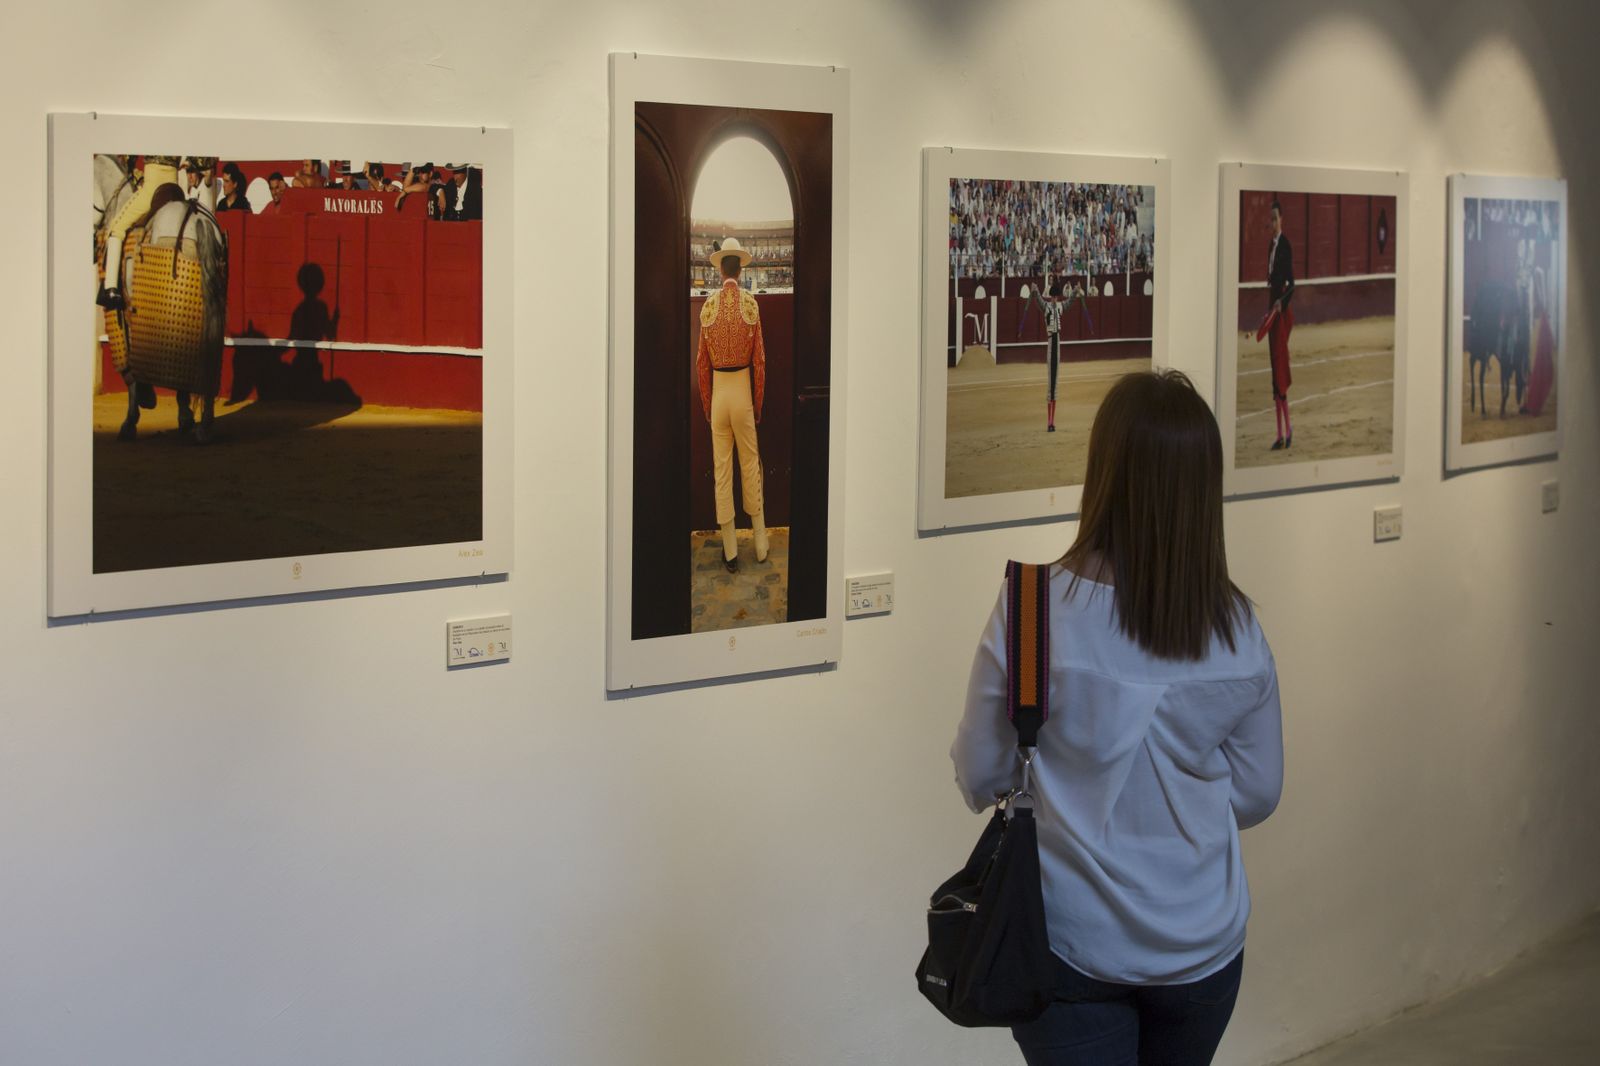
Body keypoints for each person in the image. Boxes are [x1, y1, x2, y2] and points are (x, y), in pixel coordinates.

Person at [951, 369, 1283, 1066]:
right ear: (1202, 489)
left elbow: (981, 773)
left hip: (1070, 945)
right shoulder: (1238, 629)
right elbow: (1256, 795)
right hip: (1204, 946)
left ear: (1104, 469)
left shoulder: (1034, 610)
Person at [695, 237, 769, 572]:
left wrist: (708, 407)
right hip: (741, 392)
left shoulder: (708, 307)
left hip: (720, 395)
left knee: (722, 470)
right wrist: (757, 404)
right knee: (750, 464)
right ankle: (761, 544)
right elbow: (761, 362)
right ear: (739, 268)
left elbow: (700, 365)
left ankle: (730, 552)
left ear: (720, 268)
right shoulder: (750, 304)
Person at [1265, 200, 1296, 450]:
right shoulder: (1271, 246)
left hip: (1281, 313)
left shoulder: (1285, 246)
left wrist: (1280, 304)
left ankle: (1287, 429)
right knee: (1275, 372)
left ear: (1282, 219)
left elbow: (1292, 284)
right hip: (1271, 310)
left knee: (1280, 368)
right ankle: (1280, 433)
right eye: (1271, 220)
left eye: (1276, 219)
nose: (1273, 223)